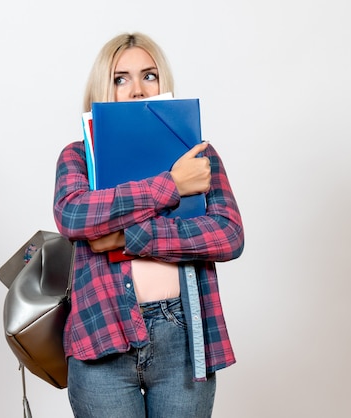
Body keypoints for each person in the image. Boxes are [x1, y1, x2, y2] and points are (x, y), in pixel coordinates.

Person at [53, 32, 245, 418]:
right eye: (120, 78)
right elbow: (74, 215)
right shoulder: (77, 157)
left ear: (164, 83)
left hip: (183, 336)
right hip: (102, 335)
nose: (137, 89)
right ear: (102, 88)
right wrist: (171, 186)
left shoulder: (198, 157)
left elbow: (228, 235)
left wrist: (129, 236)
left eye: (149, 75)